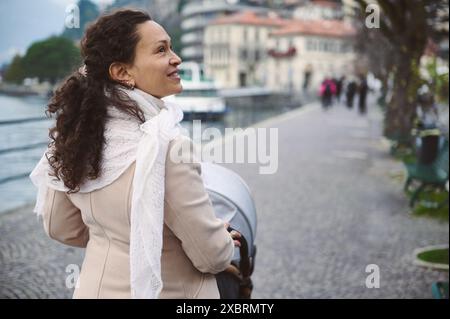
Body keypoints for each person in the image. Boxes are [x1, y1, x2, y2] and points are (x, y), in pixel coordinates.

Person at [29, 10, 240, 299]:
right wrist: (224, 239)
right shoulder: (168, 147)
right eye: (161, 50)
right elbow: (211, 256)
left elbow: (59, 226)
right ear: (122, 72)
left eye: (171, 47)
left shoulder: (76, 137)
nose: (176, 58)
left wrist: (114, 240)